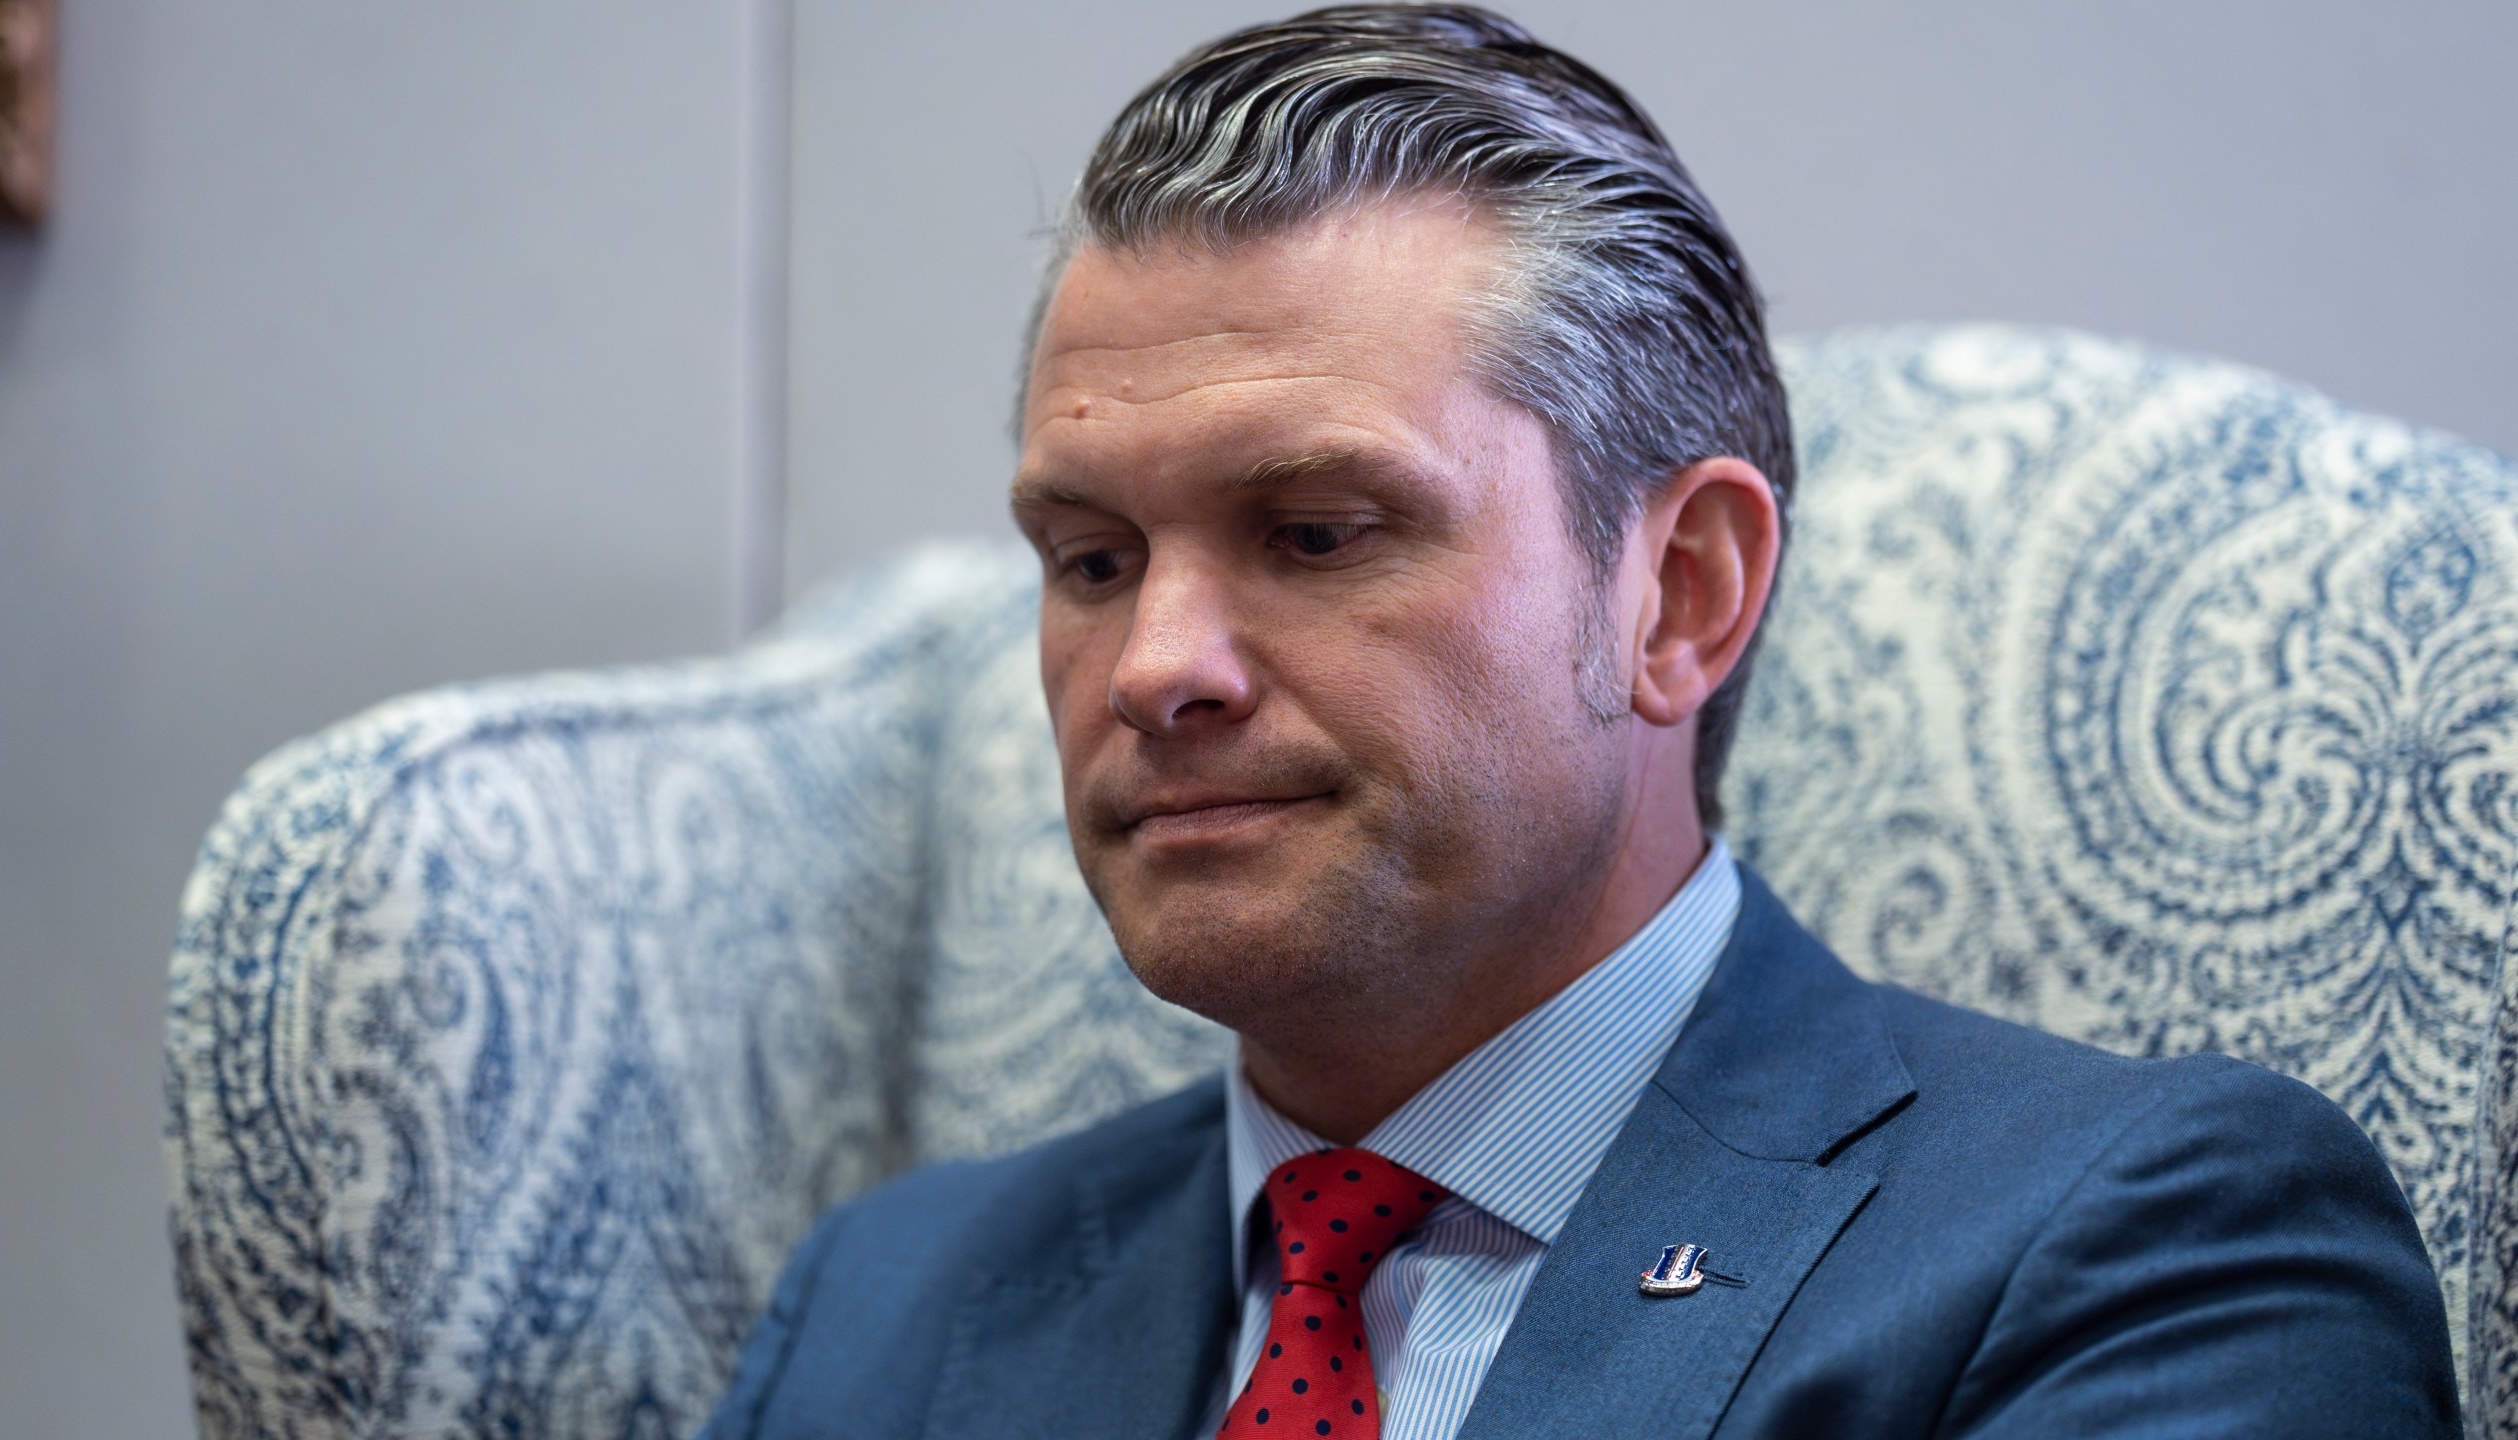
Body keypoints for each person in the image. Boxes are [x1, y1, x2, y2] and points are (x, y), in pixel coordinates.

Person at [700, 7, 2457, 1437]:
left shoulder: (2145, 1250)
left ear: (1677, 593)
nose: (1155, 666)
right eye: (1092, 560)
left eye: (1316, 533)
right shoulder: (887, 1307)